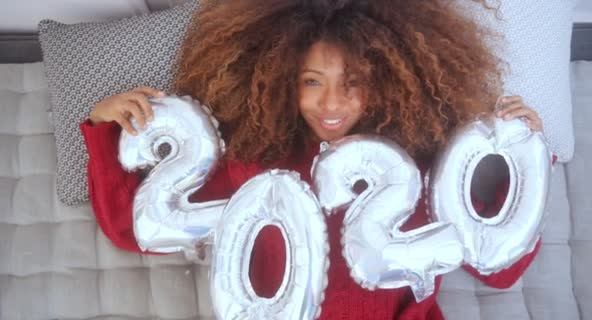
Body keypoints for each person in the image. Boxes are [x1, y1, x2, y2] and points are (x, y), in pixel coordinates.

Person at [80, 1, 549, 319]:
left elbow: (501, 268)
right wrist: (104, 129)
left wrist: (523, 158)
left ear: (390, 77)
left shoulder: (422, 163)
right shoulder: (252, 164)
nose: (331, 104)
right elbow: (133, 228)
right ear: (278, 75)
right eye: (311, 81)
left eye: (353, 82)